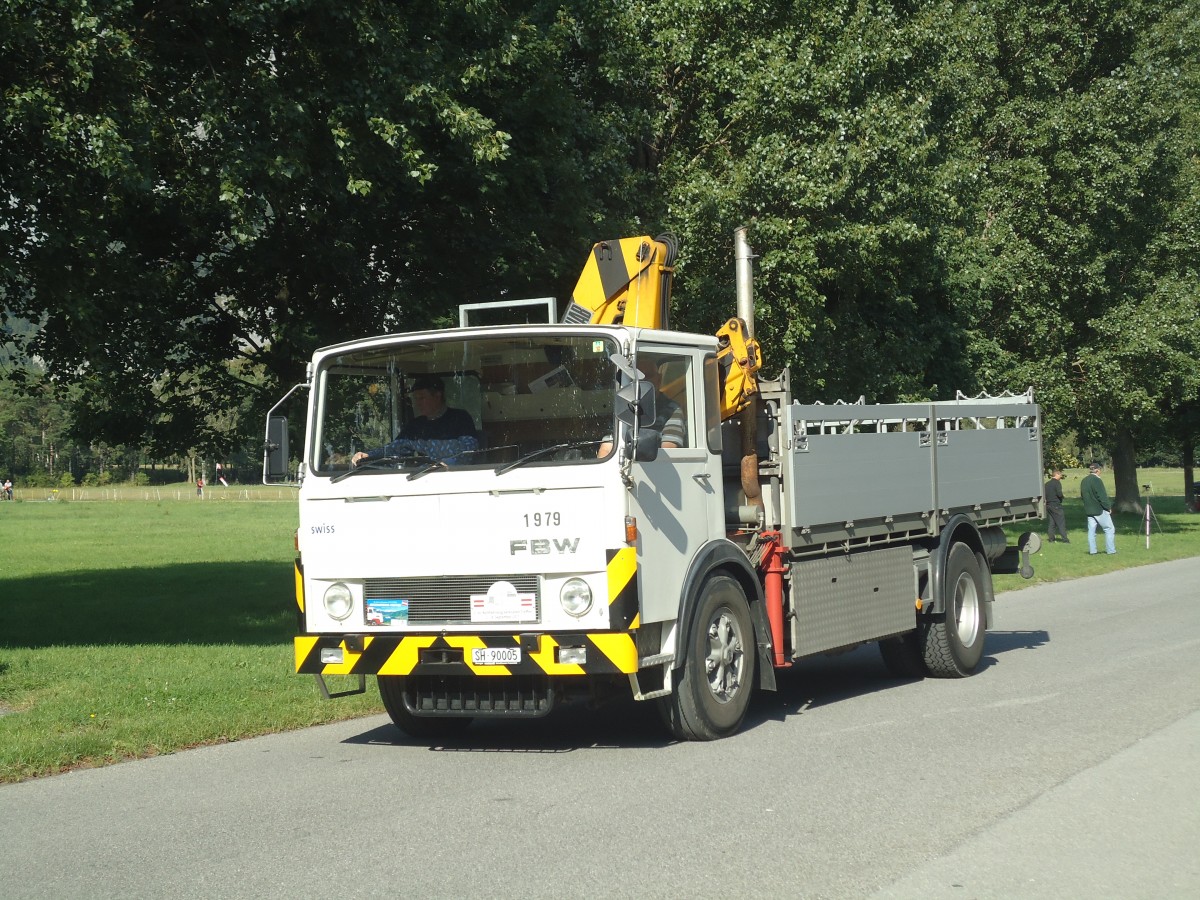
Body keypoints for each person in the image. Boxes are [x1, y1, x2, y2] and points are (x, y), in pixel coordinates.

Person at [352, 374, 478, 466]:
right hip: (420, 479)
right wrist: (369, 455)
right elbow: (395, 448)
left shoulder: (460, 418)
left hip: (457, 479)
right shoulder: (416, 426)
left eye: (422, 398)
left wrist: (445, 464)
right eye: (416, 399)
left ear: (438, 396)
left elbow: (469, 450)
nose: (417, 403)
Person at [1080, 461, 1116, 555]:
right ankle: (1111, 550)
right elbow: (1102, 496)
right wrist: (1108, 507)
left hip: (1089, 510)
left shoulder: (1084, 480)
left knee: (1091, 532)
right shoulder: (1097, 480)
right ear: (1097, 470)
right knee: (1109, 528)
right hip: (1099, 510)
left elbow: (1082, 495)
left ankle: (1093, 551)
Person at [1044, 469, 1069, 543]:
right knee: (1061, 523)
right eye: (1060, 475)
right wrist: (1062, 497)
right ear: (1057, 474)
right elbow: (1059, 494)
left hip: (1048, 505)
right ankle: (1065, 539)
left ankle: (1051, 539)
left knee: (1052, 523)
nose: (1061, 477)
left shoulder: (1047, 484)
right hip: (1056, 505)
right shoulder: (1057, 483)